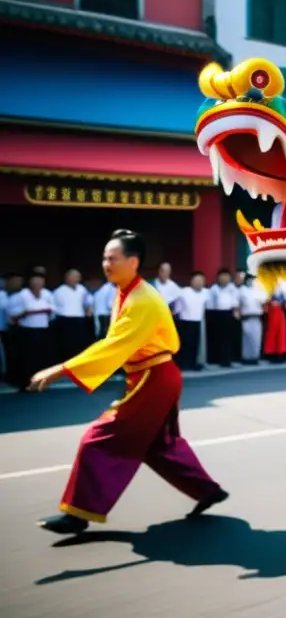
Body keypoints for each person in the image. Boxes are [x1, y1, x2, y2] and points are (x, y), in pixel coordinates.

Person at [28, 229, 229, 534]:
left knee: (97, 440)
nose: (106, 264)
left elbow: (113, 346)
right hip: (149, 376)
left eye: (113, 258)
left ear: (133, 262)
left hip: (154, 378)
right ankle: (208, 490)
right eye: (105, 258)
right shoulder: (126, 291)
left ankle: (79, 513)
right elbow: (117, 344)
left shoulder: (142, 300)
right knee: (157, 446)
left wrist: (60, 370)